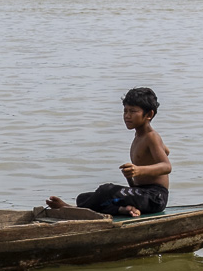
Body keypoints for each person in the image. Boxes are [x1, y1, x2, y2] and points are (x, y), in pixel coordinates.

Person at [45, 87, 171, 217]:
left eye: (133, 111)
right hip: (140, 193)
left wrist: (138, 170)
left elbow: (167, 166)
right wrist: (130, 178)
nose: (127, 116)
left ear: (149, 115)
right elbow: (166, 151)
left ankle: (73, 210)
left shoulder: (151, 136)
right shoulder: (139, 138)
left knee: (106, 190)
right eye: (125, 111)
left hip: (155, 198)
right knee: (84, 197)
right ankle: (123, 210)